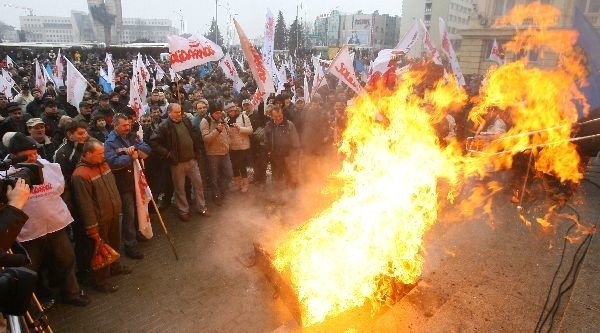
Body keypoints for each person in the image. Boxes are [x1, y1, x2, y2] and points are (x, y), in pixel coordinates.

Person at [8, 132, 91, 307]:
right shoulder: (5, 174)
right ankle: (34, 306)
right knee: (30, 270)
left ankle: (72, 292)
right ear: (14, 155)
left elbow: (59, 188)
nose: (33, 158)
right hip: (27, 233)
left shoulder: (47, 166)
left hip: (55, 225)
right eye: (27, 155)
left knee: (66, 259)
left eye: (34, 153)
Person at [71, 139, 129, 293]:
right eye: (100, 154)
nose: (103, 156)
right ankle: (101, 281)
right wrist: (92, 227)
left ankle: (115, 267)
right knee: (100, 252)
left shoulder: (103, 164)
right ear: (87, 154)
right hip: (99, 220)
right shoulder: (80, 175)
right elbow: (85, 205)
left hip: (113, 214)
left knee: (114, 243)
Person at [150, 103, 209, 221]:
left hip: (192, 160)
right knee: (179, 188)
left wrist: (197, 149)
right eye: (176, 112)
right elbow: (154, 142)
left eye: (180, 112)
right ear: (169, 113)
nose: (179, 114)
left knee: (198, 184)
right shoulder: (164, 126)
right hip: (177, 163)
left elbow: (193, 134)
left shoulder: (186, 120)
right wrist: (167, 153)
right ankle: (183, 211)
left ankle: (202, 207)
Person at [104, 113, 151, 259]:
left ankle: (138, 232)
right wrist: (129, 156)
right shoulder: (110, 142)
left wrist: (135, 150)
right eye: (124, 125)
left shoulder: (132, 135)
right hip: (123, 183)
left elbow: (146, 148)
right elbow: (112, 162)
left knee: (139, 208)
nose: (128, 127)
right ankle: (130, 245)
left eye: (129, 124)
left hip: (136, 180)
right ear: (115, 125)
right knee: (129, 214)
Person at [200, 103, 233, 205]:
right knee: (214, 177)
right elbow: (206, 139)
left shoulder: (222, 119)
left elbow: (228, 132)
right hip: (213, 154)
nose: (219, 115)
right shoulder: (206, 121)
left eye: (220, 112)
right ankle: (216, 196)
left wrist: (228, 138)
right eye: (217, 113)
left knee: (229, 174)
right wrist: (217, 130)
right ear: (211, 113)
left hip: (225, 152)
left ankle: (222, 191)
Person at [264, 105, 300, 196]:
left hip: (288, 156)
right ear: (272, 116)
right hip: (275, 156)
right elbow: (266, 140)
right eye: (276, 116)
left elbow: (295, 141)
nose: (279, 118)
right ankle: (278, 195)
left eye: (280, 115)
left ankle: (291, 194)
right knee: (276, 176)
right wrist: (268, 152)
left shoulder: (289, 124)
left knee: (289, 175)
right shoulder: (269, 126)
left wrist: (295, 155)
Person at [225, 102, 253, 193]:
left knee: (242, 165)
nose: (231, 112)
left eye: (233, 110)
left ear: (236, 109)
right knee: (234, 166)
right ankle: (237, 184)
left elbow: (250, 130)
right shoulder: (226, 119)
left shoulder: (243, 117)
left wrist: (240, 128)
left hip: (242, 146)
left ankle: (245, 184)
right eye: (229, 111)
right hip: (232, 146)